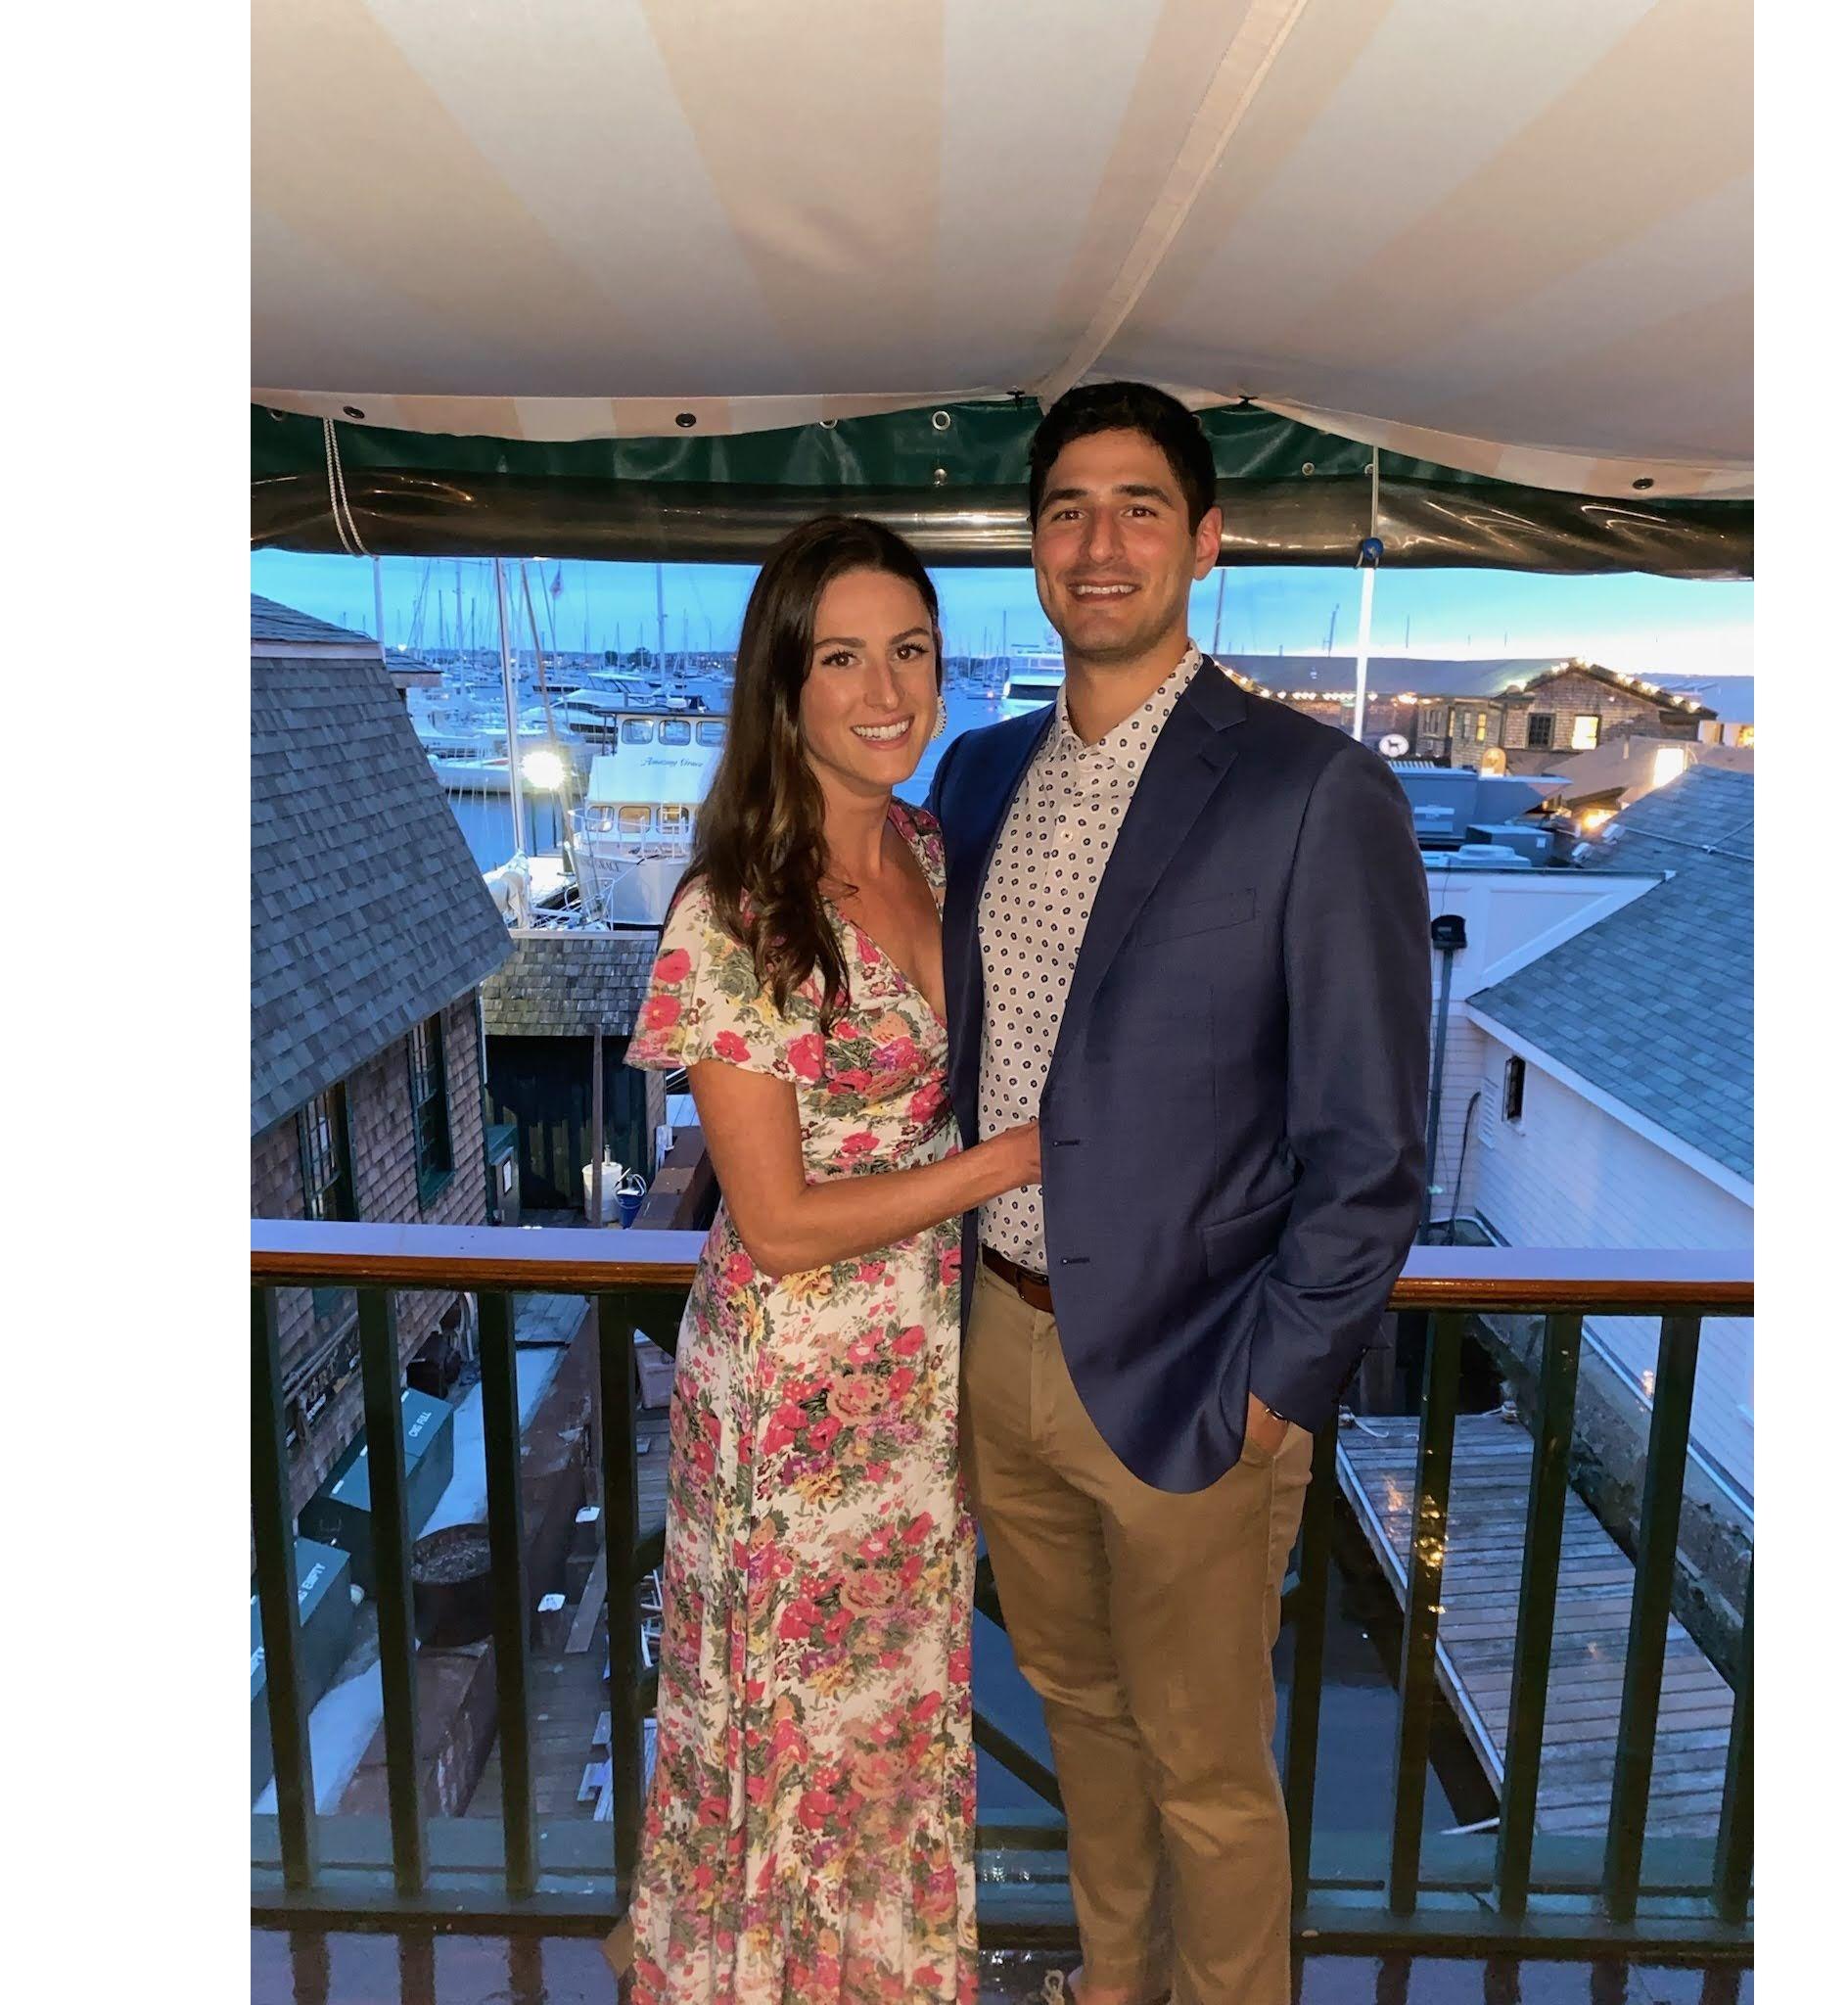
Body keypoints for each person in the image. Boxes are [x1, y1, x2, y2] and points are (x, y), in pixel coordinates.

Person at [927, 383, 1432, 2005]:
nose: (1100, 541)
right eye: (1067, 508)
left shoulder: (1312, 790)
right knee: (1080, 1723)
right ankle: (1111, 1985)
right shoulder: (978, 775)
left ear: (1205, 541)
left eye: (1139, 506)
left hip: (1202, 1374)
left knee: (1210, 1773)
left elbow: (1373, 1145)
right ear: (1031, 547)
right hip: (1000, 1348)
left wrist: (1275, 1390)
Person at [619, 515, 1040, 2005]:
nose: (885, 691)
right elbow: (779, 1220)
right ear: (783, 684)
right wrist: (1009, 1162)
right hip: (794, 1393)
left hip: (918, 1373)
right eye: (842, 657)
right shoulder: (736, 909)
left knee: (897, 1714)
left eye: (909, 652)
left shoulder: (930, 850)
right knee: (795, 1720)